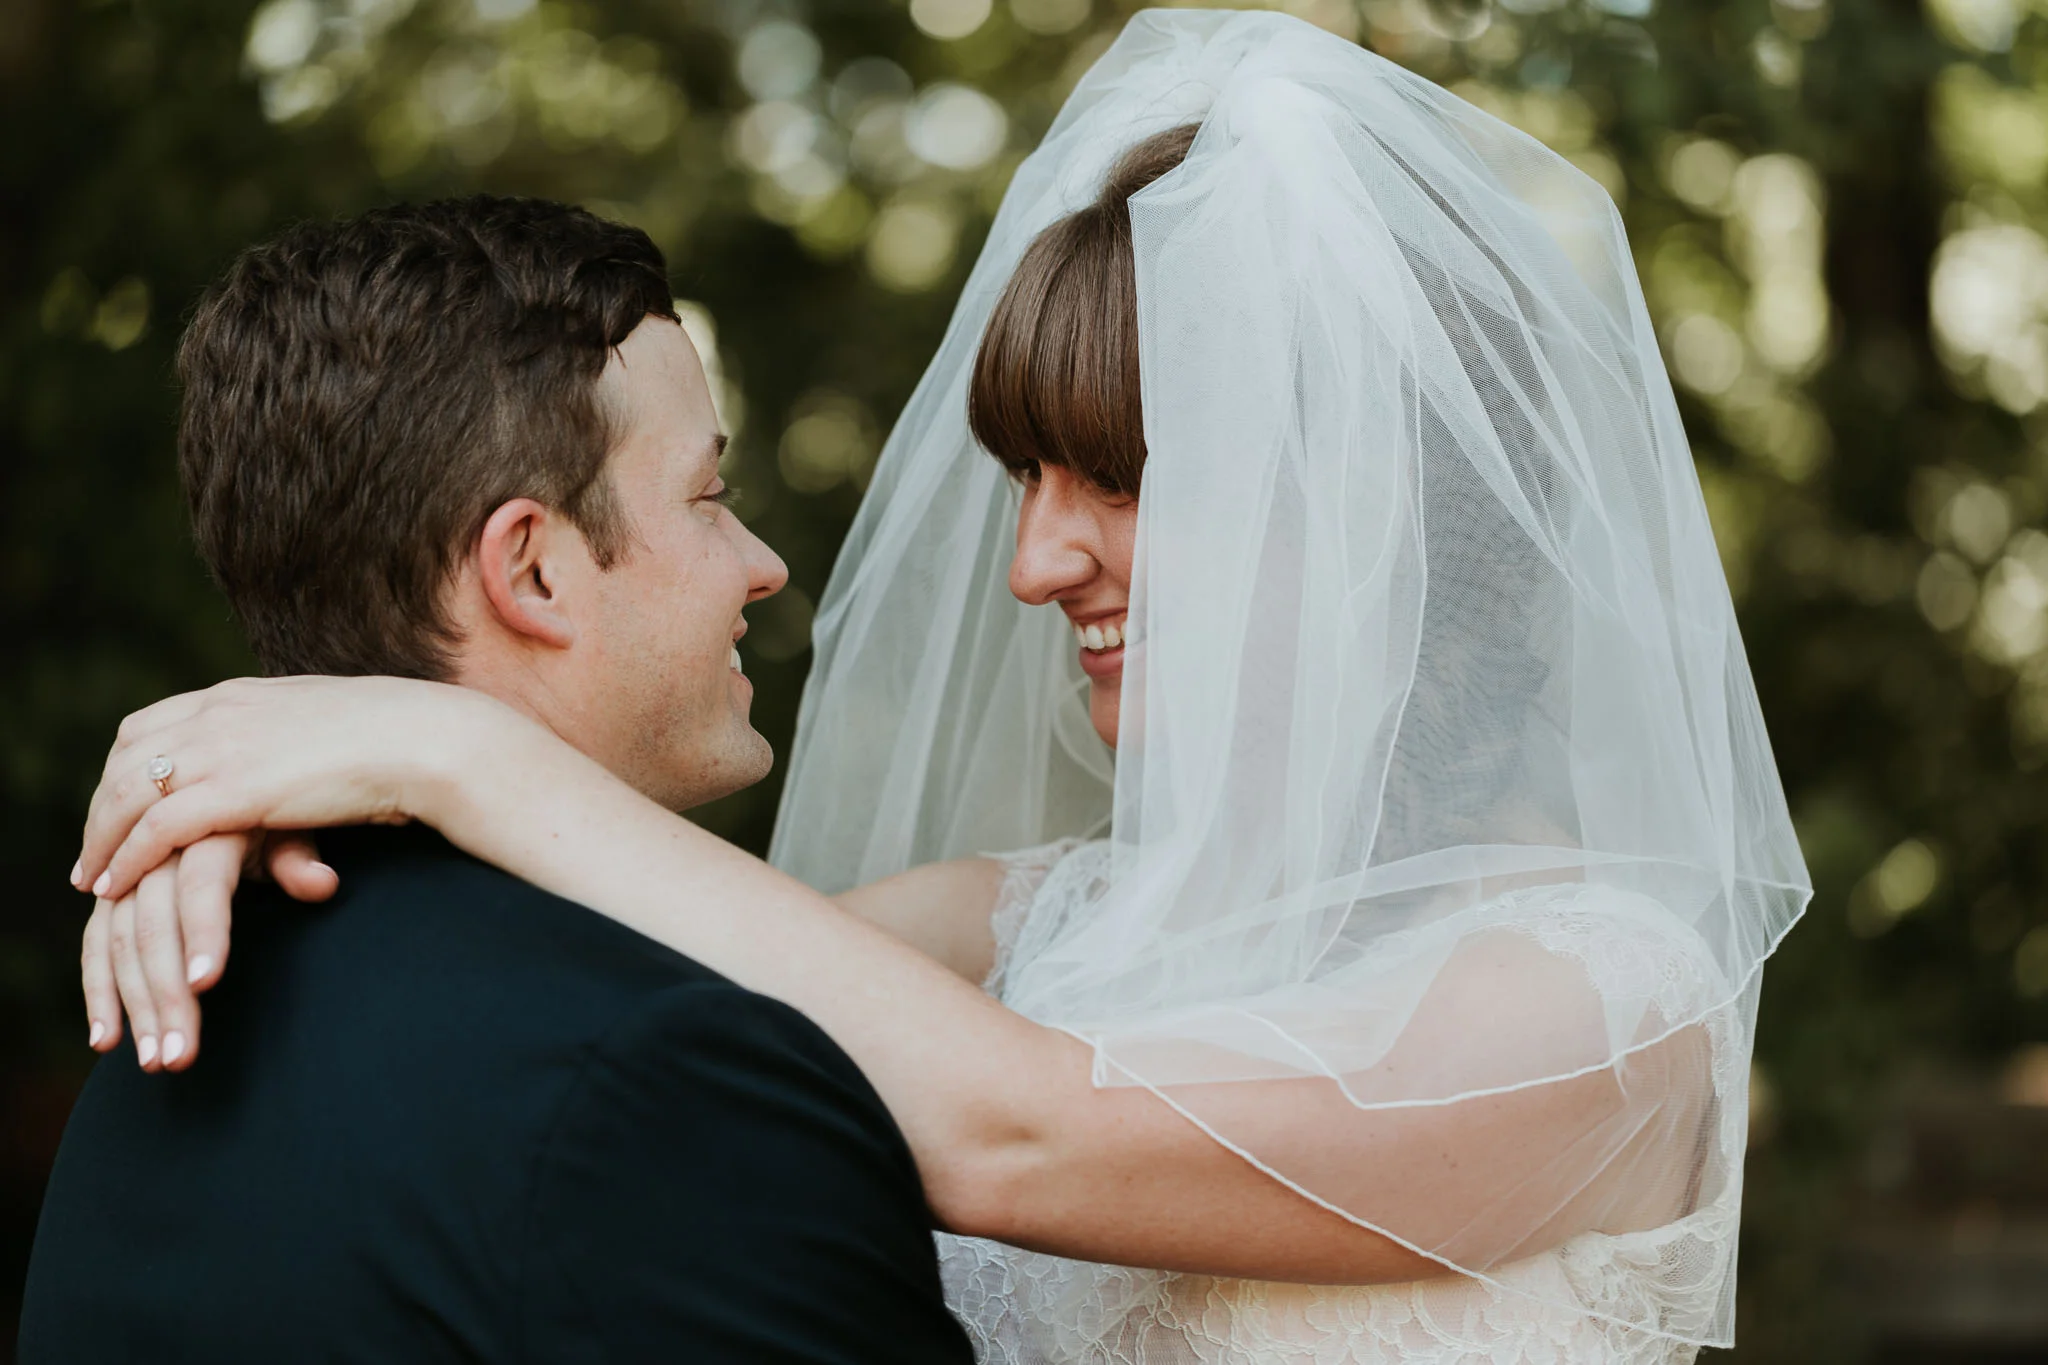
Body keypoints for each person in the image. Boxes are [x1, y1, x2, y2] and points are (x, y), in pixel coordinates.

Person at [69, 11, 1813, 1362]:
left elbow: (1025, 1139)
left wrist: (433, 737)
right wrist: (265, 820)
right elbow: (601, 996)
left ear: (1361, 513)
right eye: (1026, 485)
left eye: (1116, 478)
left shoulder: (1608, 1010)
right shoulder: (1023, 924)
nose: (1036, 564)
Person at [21, 196, 975, 1363]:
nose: (763, 567)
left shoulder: (169, 1034)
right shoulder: (669, 1078)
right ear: (531, 569)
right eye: (709, 499)